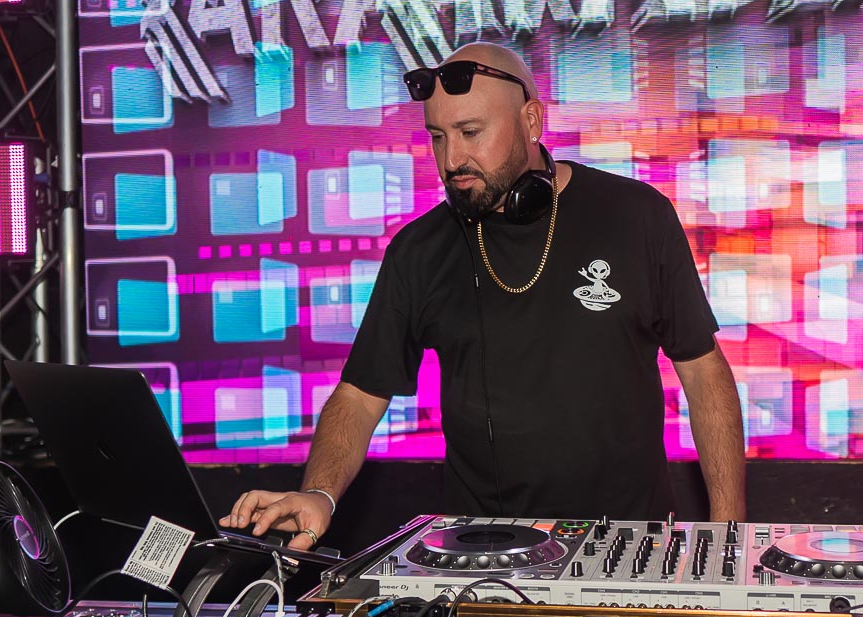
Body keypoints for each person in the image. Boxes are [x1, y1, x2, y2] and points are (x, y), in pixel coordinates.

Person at [220, 42, 746, 550]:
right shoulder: (420, 250)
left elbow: (703, 373)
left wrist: (728, 538)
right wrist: (320, 492)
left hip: (628, 544)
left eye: (471, 132)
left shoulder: (636, 216)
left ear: (531, 122)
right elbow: (358, 396)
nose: (452, 159)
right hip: (484, 554)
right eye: (438, 137)